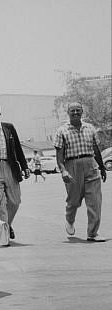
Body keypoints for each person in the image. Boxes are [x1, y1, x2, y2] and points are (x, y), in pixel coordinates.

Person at [54, 102, 107, 242]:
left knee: (95, 201)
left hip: (91, 164)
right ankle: (70, 219)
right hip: (72, 165)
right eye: (73, 111)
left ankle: (92, 233)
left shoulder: (90, 128)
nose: (76, 113)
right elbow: (59, 155)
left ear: (82, 111)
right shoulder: (62, 131)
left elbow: (96, 150)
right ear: (68, 113)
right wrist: (63, 171)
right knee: (74, 201)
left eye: (78, 110)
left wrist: (102, 167)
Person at [0, 104, 30, 241]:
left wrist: (24, 166)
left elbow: (17, 147)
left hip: (10, 166)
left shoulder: (8, 128)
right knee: (1, 204)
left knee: (15, 201)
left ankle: (7, 225)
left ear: (0, 114)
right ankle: (4, 236)